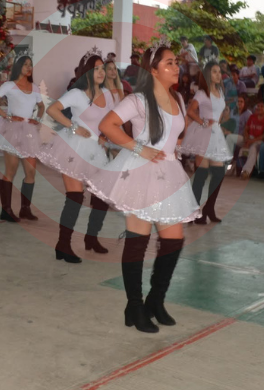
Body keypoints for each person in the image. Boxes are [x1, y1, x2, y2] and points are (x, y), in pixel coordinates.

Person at [87, 45, 200, 334]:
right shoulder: (138, 100)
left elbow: (176, 133)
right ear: (153, 70)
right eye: (169, 63)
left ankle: (155, 301)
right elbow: (108, 125)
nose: (176, 67)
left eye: (176, 62)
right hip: (140, 172)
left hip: (169, 173)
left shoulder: (178, 98)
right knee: (138, 239)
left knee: (173, 240)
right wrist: (140, 148)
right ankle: (134, 306)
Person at [39, 50, 114, 263]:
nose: (101, 72)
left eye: (102, 68)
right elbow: (53, 109)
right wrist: (73, 126)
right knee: (75, 197)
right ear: (87, 72)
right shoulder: (77, 94)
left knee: (101, 197)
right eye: (96, 69)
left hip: (96, 150)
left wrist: (104, 135)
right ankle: (63, 245)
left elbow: (110, 120)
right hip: (74, 148)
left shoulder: (107, 94)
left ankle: (92, 238)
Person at [0, 56, 45, 222]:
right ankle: (6, 210)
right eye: (25, 64)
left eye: (30, 65)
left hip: (29, 132)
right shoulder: (9, 85)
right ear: (18, 67)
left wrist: (37, 118)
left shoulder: (34, 88)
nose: (28, 67)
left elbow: (41, 106)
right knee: (11, 170)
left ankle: (25, 209)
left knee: (31, 172)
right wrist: (6, 116)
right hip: (13, 130)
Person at [180, 61, 231, 224]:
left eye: (219, 72)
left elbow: (219, 113)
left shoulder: (220, 92)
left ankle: (209, 208)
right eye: (214, 72)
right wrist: (202, 122)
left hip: (216, 134)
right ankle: (193, 212)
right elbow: (190, 111)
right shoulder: (202, 93)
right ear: (208, 74)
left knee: (219, 173)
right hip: (204, 134)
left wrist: (220, 121)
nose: (218, 74)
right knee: (201, 175)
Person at [239, 100, 264, 179]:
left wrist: (250, 141)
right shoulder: (252, 116)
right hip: (249, 138)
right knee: (231, 138)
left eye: (262, 106)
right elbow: (246, 129)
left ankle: (246, 171)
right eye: (258, 106)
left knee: (253, 148)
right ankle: (223, 165)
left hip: (260, 141)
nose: (259, 108)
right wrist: (246, 138)